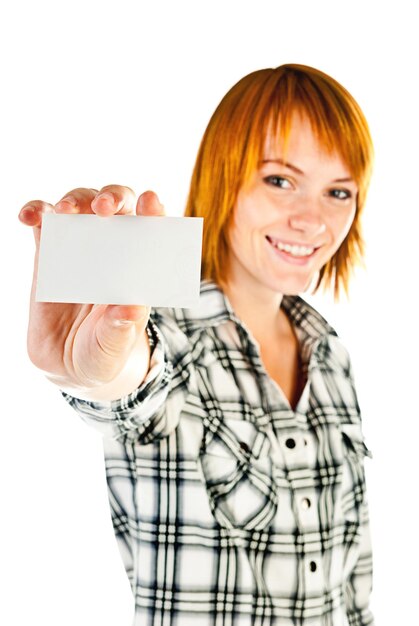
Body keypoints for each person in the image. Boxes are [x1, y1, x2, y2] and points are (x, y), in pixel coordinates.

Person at [19, 64, 374, 625]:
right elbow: (133, 383)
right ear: (224, 175)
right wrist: (89, 371)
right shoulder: (167, 332)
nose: (312, 219)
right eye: (280, 180)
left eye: (338, 191)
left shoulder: (331, 356)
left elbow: (355, 588)